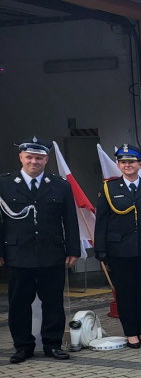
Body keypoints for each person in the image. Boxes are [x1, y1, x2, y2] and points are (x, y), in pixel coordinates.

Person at [0, 137, 80, 363]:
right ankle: (22, 347)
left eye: (39, 158)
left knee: (53, 302)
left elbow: (70, 220)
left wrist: (73, 249)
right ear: (21, 157)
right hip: (18, 254)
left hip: (51, 253)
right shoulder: (5, 184)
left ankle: (52, 344)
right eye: (29, 157)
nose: (34, 161)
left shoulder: (60, 185)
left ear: (46, 160)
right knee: (19, 304)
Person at [94, 143, 141, 349]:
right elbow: (101, 221)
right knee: (125, 292)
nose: (127, 165)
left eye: (132, 162)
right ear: (118, 165)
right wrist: (100, 248)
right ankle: (130, 333)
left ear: (140, 164)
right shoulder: (108, 188)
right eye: (123, 162)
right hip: (120, 251)